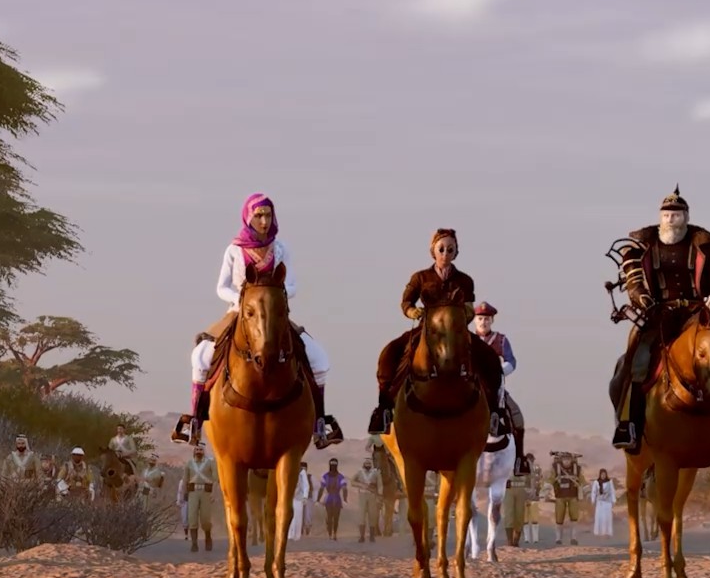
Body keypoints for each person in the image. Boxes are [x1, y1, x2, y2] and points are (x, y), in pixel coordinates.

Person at [609, 187, 710, 455]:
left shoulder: (706, 248)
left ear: (686, 216)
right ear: (660, 217)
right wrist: (641, 298)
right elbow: (634, 284)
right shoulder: (643, 247)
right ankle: (631, 427)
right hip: (659, 315)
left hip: (699, 314)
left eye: (676, 214)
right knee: (638, 361)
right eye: (666, 214)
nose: (670, 218)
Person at [191, 193, 343, 449]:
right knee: (201, 356)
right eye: (259, 215)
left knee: (319, 358)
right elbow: (221, 287)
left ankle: (320, 423)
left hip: (275, 314)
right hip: (239, 313)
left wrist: (274, 297)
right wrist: (244, 301)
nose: (264, 221)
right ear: (248, 217)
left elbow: (292, 285)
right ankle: (194, 422)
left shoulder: (281, 248)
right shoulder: (234, 250)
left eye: (268, 215)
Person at [370, 228, 510, 440]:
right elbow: (406, 302)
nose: (445, 254)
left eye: (450, 250)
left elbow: (469, 308)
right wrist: (412, 311)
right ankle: (384, 408)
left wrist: (461, 317)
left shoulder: (465, 280)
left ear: (456, 252)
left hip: (457, 331)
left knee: (489, 359)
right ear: (433, 251)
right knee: (390, 353)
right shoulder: (420, 277)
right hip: (427, 329)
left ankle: (495, 413)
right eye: (441, 249)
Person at [471, 301, 531, 476]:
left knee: (517, 418)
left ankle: (520, 460)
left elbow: (511, 361)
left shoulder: (501, 340)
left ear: (492, 321)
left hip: (496, 390)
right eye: (480, 318)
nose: (483, 322)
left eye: (487, 319)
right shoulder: (467, 339)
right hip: (471, 389)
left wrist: (499, 372)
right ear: (474, 320)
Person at [173, 332, 217, 444]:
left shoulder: (197, 350)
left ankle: (194, 430)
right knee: (200, 405)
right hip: (203, 375)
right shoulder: (210, 346)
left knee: (197, 404)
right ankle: (194, 429)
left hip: (198, 376)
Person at [182, 444, 216, 552]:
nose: (198, 451)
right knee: (192, 517)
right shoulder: (189, 463)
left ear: (204, 451)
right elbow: (185, 479)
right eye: (196, 449)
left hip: (206, 492)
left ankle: (208, 537)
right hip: (193, 492)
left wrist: (214, 493)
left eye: (200, 449)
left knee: (205, 518)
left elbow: (215, 479)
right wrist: (184, 493)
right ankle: (194, 543)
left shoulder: (210, 463)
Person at [319, 458, 348, 539]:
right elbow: (344, 488)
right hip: (333, 498)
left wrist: (318, 499)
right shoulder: (339, 476)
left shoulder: (327, 476)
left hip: (333, 498)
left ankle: (332, 534)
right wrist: (345, 499)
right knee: (333, 517)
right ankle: (332, 533)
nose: (333, 467)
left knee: (333, 517)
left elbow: (321, 488)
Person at [589, 468, 616, 538]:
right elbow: (594, 492)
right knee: (600, 517)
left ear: (606, 475)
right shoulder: (596, 482)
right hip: (600, 503)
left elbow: (612, 491)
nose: (603, 476)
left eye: (604, 474)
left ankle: (607, 533)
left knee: (607, 517)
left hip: (607, 503)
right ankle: (600, 533)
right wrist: (593, 500)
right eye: (602, 474)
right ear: (600, 475)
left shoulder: (610, 482)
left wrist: (613, 500)